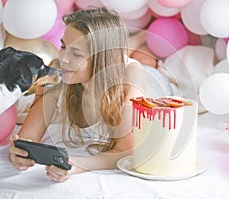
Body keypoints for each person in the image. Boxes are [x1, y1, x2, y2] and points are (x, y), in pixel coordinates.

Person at [9, 7, 146, 182]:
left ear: (100, 59)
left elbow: (126, 150)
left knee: (146, 59)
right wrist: (20, 152)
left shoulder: (132, 75)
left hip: (134, 78)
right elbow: (29, 135)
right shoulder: (58, 68)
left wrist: (80, 164)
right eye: (63, 47)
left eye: (76, 54)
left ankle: (142, 38)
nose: (63, 58)